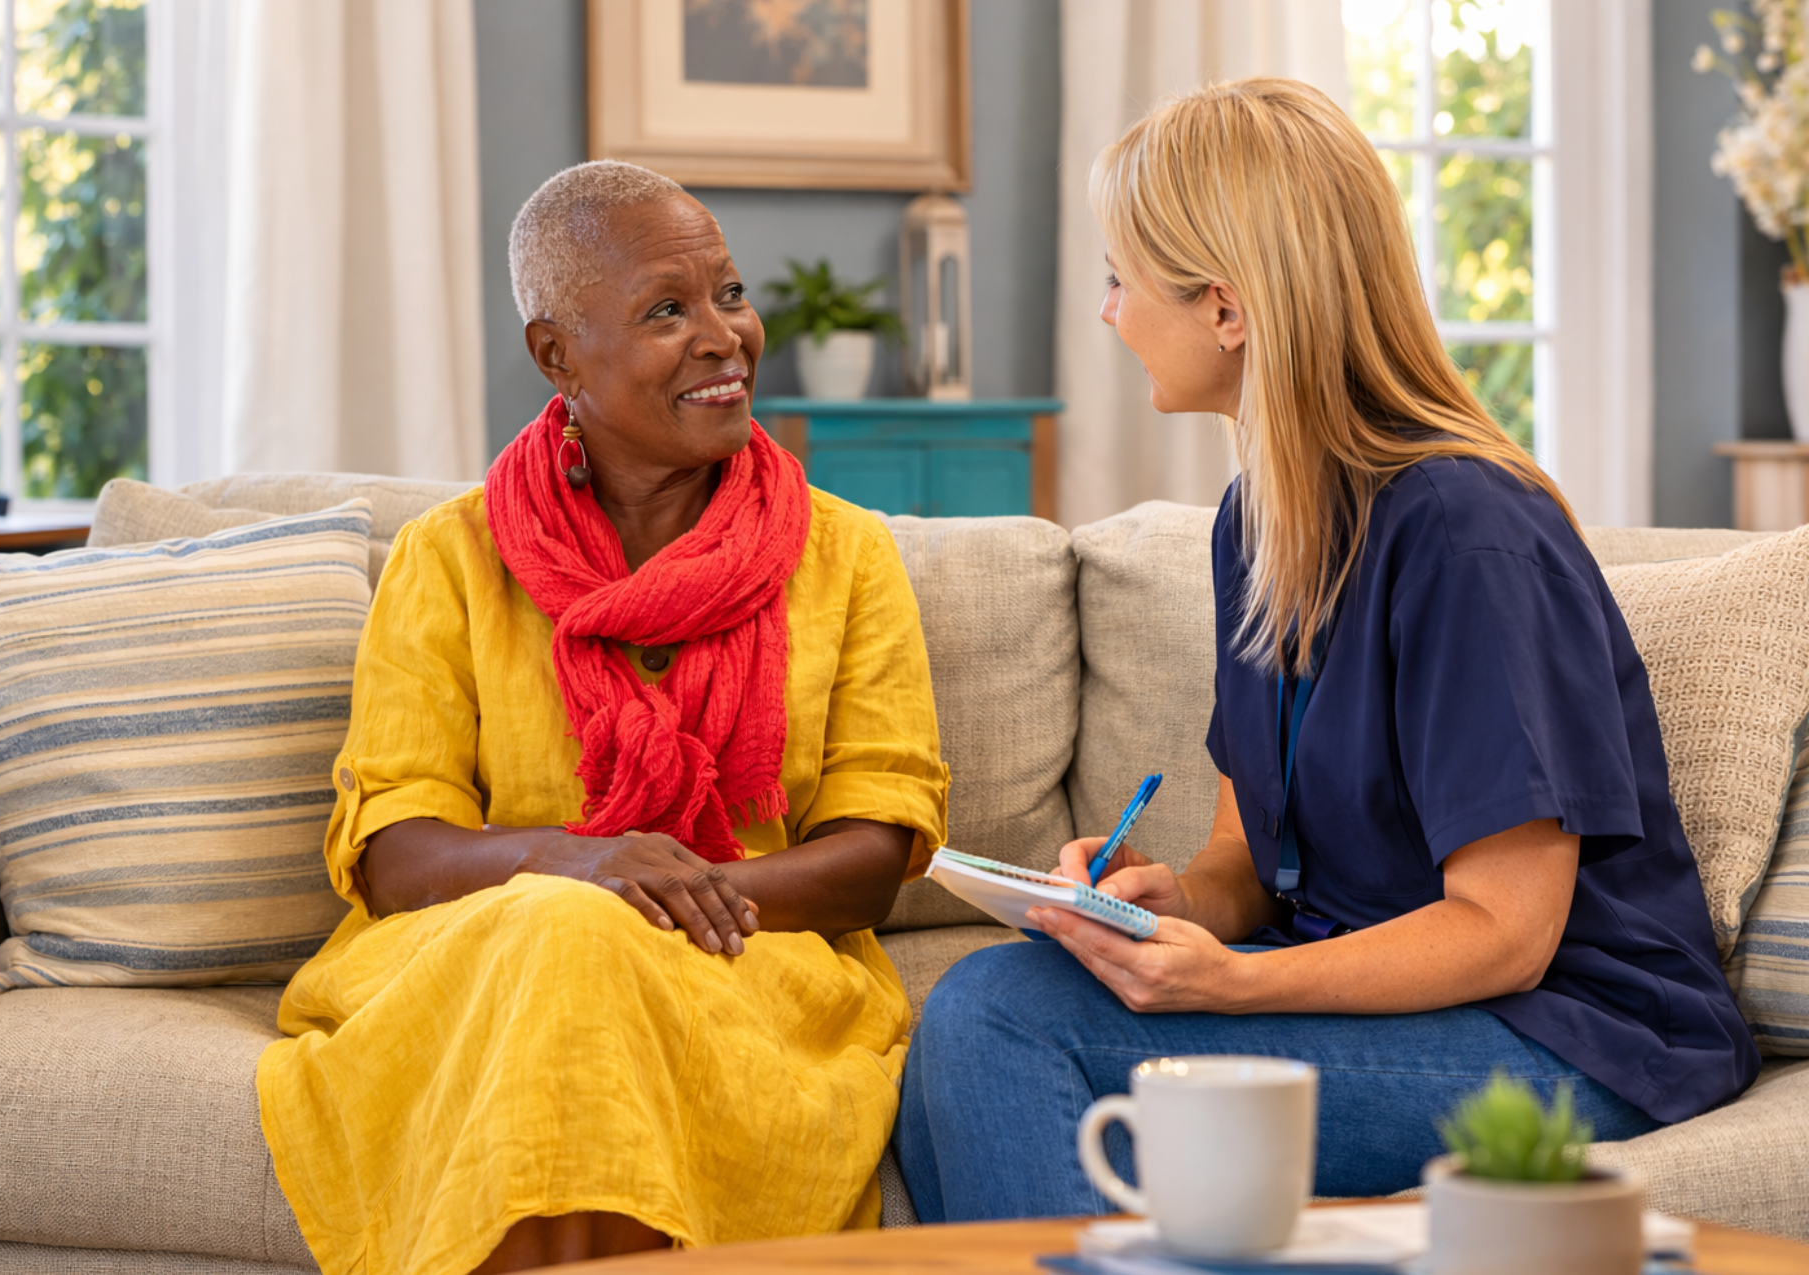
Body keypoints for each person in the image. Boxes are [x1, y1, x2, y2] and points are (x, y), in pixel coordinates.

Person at [894, 79, 1760, 1219]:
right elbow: (1248, 864)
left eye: (1121, 279)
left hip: (1567, 1037)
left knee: (996, 1019)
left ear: (1227, 309)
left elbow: (1507, 932)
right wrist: (1165, 911)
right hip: (1395, 1005)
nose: (1108, 314)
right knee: (990, 999)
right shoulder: (1257, 523)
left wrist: (1236, 988)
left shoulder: (1466, 527)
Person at [257, 160, 949, 1273]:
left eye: (728, 294)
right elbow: (394, 852)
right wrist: (577, 868)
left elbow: (872, 857)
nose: (725, 336)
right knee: (564, 942)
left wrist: (652, 902)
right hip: (487, 959)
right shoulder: (452, 557)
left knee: (582, 949)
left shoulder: (846, 555)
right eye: (667, 311)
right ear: (556, 355)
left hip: (749, 961)